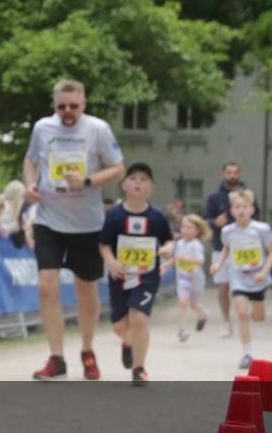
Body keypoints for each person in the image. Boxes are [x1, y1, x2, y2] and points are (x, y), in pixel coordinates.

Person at [23, 79, 125, 380]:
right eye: (61, 106)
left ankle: (87, 350)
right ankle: (56, 358)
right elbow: (30, 161)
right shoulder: (42, 128)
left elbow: (118, 168)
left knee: (86, 290)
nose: (67, 112)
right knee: (46, 286)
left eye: (73, 106)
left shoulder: (98, 129)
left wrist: (88, 181)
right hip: (49, 220)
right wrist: (30, 184)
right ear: (54, 106)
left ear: (84, 104)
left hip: (87, 224)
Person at [98, 164, 174, 386]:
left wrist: (168, 248)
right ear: (123, 185)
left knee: (139, 319)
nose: (138, 182)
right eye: (133, 178)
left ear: (151, 187)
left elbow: (169, 240)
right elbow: (104, 244)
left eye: (143, 179)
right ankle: (129, 343)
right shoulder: (114, 215)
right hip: (120, 276)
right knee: (119, 326)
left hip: (146, 276)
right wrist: (111, 262)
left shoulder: (157, 216)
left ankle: (139, 368)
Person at [210, 189, 272, 368]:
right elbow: (226, 248)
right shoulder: (227, 231)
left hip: (257, 277)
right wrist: (218, 265)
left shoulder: (262, 229)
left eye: (245, 207)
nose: (241, 210)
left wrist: (264, 272)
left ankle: (256, 311)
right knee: (241, 312)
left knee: (259, 317)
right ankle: (247, 354)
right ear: (232, 210)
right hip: (238, 275)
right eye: (237, 207)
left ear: (252, 209)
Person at [203, 161, 256, 338]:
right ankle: (226, 321)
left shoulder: (248, 195)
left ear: (239, 174)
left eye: (235, 172)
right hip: (221, 248)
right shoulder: (214, 197)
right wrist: (214, 222)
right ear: (223, 174)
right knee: (223, 287)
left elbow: (257, 218)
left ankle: (244, 315)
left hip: (244, 249)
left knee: (245, 285)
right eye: (229, 172)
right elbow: (204, 220)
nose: (232, 175)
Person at [160, 214, 212, 341]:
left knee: (193, 304)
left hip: (196, 279)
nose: (185, 230)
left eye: (189, 228)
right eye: (183, 227)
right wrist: (165, 266)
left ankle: (202, 315)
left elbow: (200, 261)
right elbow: (175, 259)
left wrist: (185, 259)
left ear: (197, 231)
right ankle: (182, 330)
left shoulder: (196, 245)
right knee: (183, 302)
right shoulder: (179, 244)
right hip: (183, 279)